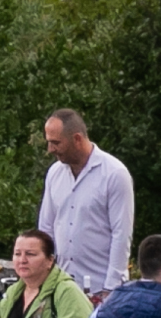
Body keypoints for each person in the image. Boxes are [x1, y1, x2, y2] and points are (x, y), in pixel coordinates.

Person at [36, 109, 134, 303]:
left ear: (77, 139)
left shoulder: (114, 174)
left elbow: (121, 234)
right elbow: (46, 228)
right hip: (61, 286)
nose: (50, 149)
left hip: (100, 288)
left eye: (56, 143)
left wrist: (111, 289)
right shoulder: (54, 173)